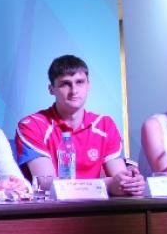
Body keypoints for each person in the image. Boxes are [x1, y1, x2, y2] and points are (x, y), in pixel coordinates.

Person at [15, 54, 145, 197]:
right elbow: (46, 184)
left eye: (80, 82)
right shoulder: (32, 125)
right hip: (49, 213)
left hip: (95, 211)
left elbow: (119, 178)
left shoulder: (105, 125)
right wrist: (107, 184)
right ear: (51, 89)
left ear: (88, 85)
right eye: (65, 84)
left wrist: (130, 183)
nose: (74, 91)